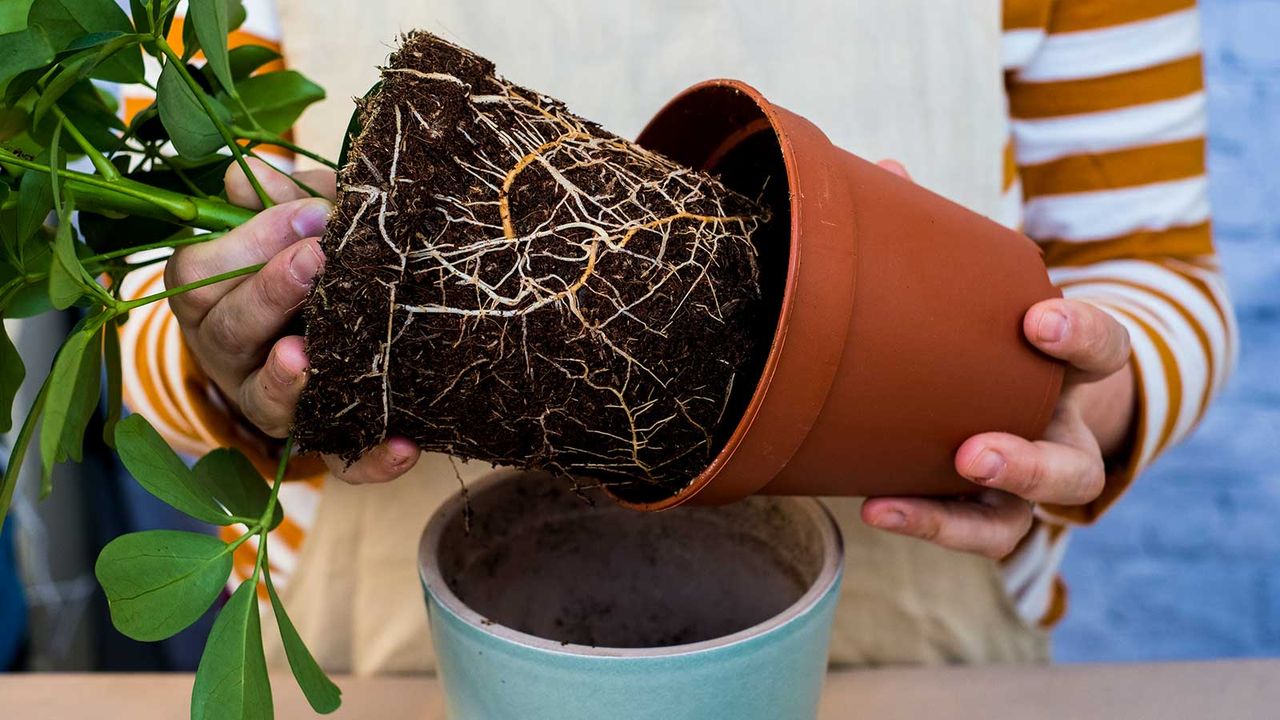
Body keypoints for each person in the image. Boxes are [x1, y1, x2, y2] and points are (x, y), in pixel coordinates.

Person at [118, 0, 1235, 671]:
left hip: (911, 655)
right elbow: (146, 272)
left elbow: (1157, 271)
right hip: (399, 660)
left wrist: (1095, 387)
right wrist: (228, 360)